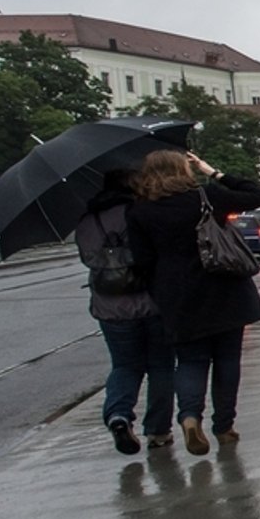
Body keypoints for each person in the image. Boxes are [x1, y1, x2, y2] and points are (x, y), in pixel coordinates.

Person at [126, 151, 260, 455]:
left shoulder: (140, 210)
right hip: (224, 288)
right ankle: (225, 426)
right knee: (228, 360)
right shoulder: (207, 196)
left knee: (191, 361)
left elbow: (142, 261)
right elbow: (258, 194)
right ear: (183, 170)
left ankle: (190, 417)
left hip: (178, 296)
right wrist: (213, 171)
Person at [74, 169, 175, 453]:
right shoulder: (141, 212)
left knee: (124, 365)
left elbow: (88, 259)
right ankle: (158, 431)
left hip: (110, 308)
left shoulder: (87, 220)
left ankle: (118, 415)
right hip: (151, 302)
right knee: (161, 367)